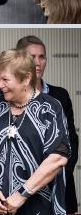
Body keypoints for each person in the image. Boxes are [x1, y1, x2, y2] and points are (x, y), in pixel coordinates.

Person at [0, 49, 70, 215]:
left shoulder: (50, 108)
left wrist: (22, 194)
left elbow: (57, 158)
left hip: (38, 207)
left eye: (5, 79)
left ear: (27, 78)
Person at [16, 35, 79, 214]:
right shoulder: (5, 96)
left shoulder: (61, 95)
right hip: (21, 189)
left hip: (59, 186)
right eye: (31, 57)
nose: (37, 62)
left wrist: (57, 174)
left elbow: (71, 141)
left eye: (42, 57)